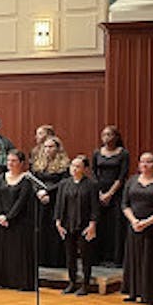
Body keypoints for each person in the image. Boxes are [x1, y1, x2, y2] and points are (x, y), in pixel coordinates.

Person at [121, 152, 153, 305]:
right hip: (135, 226)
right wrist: (134, 221)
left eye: (148, 162)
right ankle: (135, 291)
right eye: (141, 162)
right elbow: (125, 204)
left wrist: (147, 222)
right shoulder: (132, 181)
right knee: (135, 258)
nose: (144, 165)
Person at [0, 150, 35, 290]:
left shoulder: (26, 180)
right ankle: (2, 281)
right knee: (3, 252)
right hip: (1, 221)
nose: (10, 163)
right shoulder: (1, 177)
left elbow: (21, 202)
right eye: (9, 160)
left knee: (18, 253)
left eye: (14, 161)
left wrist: (9, 216)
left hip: (19, 222)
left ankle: (20, 283)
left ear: (22, 163)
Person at [55, 155, 99, 295]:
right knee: (70, 255)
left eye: (78, 166)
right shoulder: (64, 183)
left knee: (86, 255)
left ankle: (85, 284)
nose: (74, 168)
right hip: (67, 223)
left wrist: (93, 224)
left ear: (84, 169)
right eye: (72, 165)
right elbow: (59, 204)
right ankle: (72, 282)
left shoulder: (91, 185)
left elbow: (94, 206)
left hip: (84, 224)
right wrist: (58, 221)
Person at [92, 125, 130, 266]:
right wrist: (100, 193)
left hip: (116, 192)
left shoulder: (123, 153)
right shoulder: (97, 153)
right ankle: (99, 257)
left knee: (115, 225)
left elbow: (122, 175)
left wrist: (110, 193)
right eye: (104, 135)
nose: (106, 137)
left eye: (109, 134)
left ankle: (115, 258)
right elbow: (94, 173)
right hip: (99, 192)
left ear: (116, 137)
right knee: (100, 223)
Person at [33, 136, 70, 268]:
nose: (48, 149)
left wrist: (48, 191)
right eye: (46, 147)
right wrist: (39, 191)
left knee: (54, 229)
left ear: (58, 148)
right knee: (41, 228)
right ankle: (42, 259)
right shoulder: (38, 163)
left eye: (51, 147)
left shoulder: (65, 165)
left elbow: (64, 182)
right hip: (41, 200)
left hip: (56, 200)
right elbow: (33, 179)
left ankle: (56, 260)